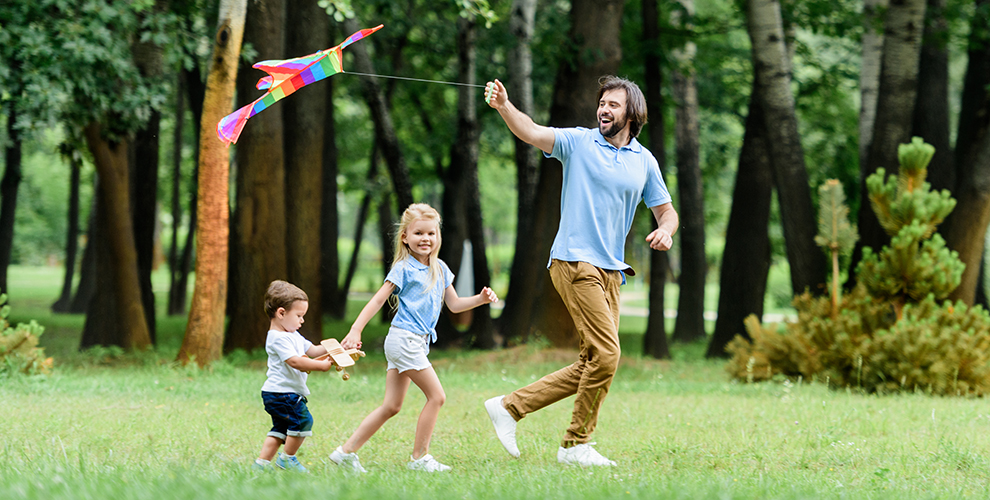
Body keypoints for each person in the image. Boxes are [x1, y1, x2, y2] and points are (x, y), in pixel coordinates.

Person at [482, 75, 679, 467]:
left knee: (596, 361)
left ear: (633, 113)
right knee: (608, 355)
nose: (604, 109)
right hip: (575, 261)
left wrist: (665, 231)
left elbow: (666, 211)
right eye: (602, 103)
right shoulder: (578, 142)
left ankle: (509, 407)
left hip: (612, 271)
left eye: (613, 104)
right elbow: (532, 132)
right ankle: (575, 445)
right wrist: (505, 106)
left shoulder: (644, 160)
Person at [330, 203, 499, 473]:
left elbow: (454, 305)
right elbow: (377, 300)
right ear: (405, 237)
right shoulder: (403, 268)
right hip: (404, 340)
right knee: (437, 397)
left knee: (392, 405)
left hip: (413, 342)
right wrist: (355, 329)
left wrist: (480, 299)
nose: (425, 239)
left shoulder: (440, 269)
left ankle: (345, 452)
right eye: (419, 233)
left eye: (431, 233)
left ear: (437, 237)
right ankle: (419, 458)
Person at [253, 280, 334, 473]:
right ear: (281, 313)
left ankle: (261, 465)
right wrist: (321, 367)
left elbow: (314, 350)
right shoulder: (277, 338)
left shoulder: (293, 335)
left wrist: (338, 347)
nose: (302, 320)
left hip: (279, 393)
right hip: (283, 393)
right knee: (303, 420)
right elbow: (296, 361)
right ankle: (287, 459)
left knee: (280, 430)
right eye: (299, 315)